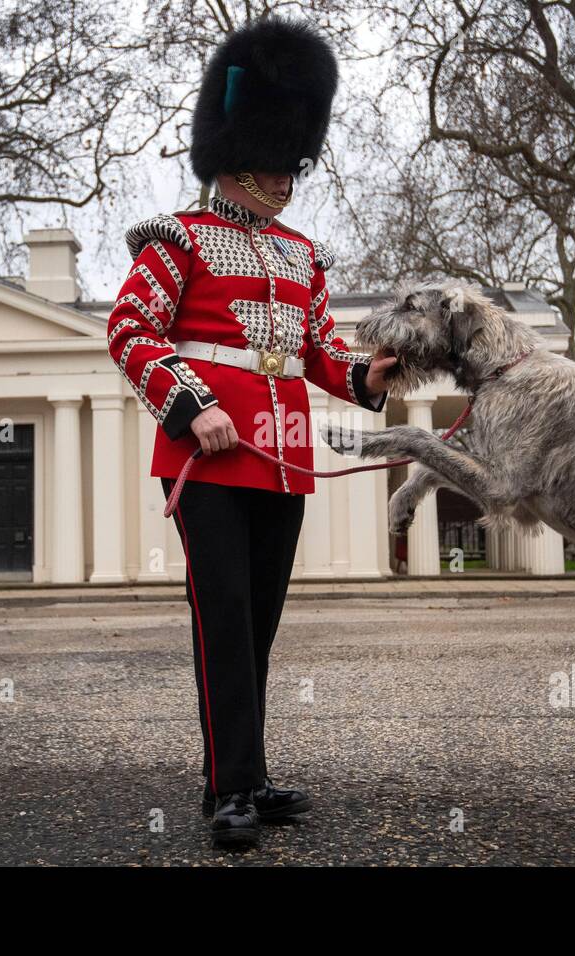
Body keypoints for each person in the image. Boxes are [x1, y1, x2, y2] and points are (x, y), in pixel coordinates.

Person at [106, 16, 395, 848]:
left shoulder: (303, 256)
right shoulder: (178, 238)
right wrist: (193, 406)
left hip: (279, 458)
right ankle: (225, 790)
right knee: (222, 616)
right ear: (236, 156)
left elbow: (315, 351)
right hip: (207, 454)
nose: (288, 176)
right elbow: (131, 332)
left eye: (293, 161)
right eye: (277, 161)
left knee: (259, 623)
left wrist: (365, 376)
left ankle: (252, 775)